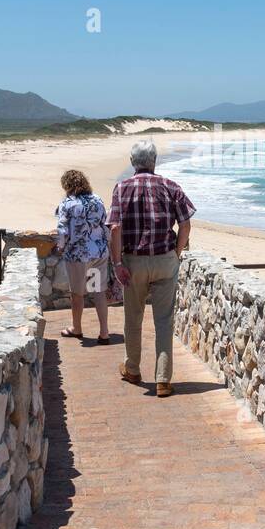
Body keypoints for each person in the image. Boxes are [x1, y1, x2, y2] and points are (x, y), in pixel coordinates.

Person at [108, 140, 195, 397]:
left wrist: (118, 263)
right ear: (154, 161)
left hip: (134, 261)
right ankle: (163, 380)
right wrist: (176, 253)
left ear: (133, 162)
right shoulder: (170, 186)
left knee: (132, 319)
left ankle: (133, 369)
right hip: (164, 259)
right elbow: (186, 224)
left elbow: (114, 228)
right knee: (164, 321)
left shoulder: (122, 188)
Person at [55, 169, 111, 343]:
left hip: (78, 255)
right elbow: (106, 224)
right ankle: (104, 332)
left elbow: (63, 229)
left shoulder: (68, 203)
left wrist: (60, 247)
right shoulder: (97, 200)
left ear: (67, 185)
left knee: (77, 294)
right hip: (99, 253)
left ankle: (77, 328)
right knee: (98, 291)